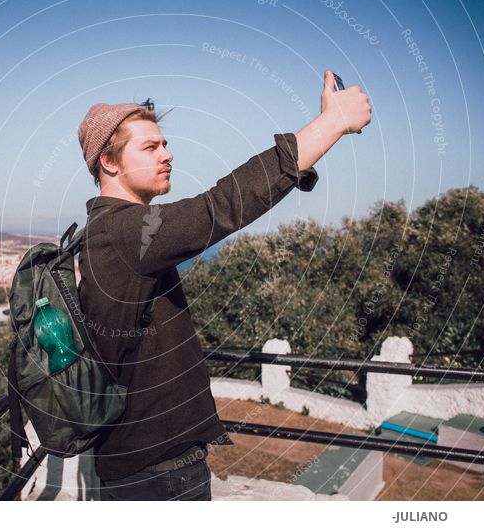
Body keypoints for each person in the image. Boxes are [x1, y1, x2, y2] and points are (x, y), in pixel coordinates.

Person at [76, 71, 371, 501]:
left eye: (165, 144)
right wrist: (330, 124)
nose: (168, 154)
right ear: (109, 161)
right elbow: (219, 208)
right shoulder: (122, 234)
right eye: (151, 146)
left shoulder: (112, 234)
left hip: (147, 467)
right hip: (157, 476)